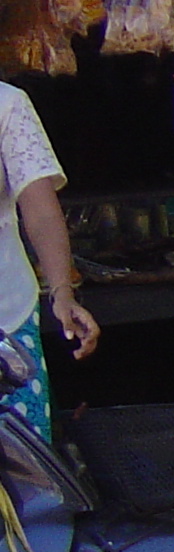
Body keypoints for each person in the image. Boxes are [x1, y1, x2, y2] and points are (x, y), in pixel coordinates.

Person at [0, 80, 99, 440]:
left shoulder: (7, 104)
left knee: (25, 472)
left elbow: (41, 212)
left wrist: (62, 292)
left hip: (6, 322)